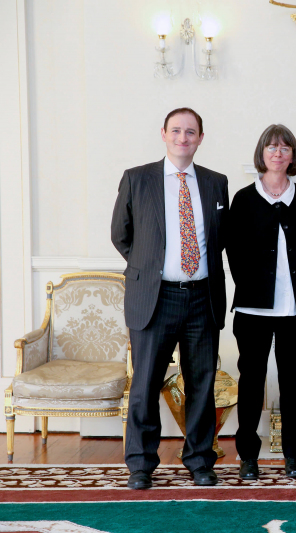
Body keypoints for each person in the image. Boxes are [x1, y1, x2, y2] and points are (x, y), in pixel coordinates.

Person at [111, 108, 229, 489]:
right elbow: (121, 234)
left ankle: (199, 460)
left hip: (202, 298)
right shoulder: (137, 178)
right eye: (176, 130)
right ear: (163, 133)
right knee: (145, 385)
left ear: (200, 138)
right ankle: (141, 465)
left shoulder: (215, 182)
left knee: (201, 383)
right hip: (154, 299)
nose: (183, 137)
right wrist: (150, 268)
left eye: (190, 131)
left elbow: (221, 238)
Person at [226, 124, 296, 480]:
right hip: (253, 309)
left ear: (293, 155)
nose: (278, 153)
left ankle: (293, 455)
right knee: (252, 381)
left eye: (285, 147)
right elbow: (234, 251)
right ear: (261, 154)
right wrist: (254, 287)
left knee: (294, 384)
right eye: (271, 147)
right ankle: (248, 456)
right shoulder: (244, 199)